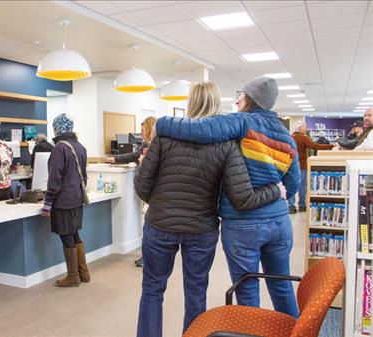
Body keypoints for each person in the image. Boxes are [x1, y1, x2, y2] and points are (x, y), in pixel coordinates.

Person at [134, 81, 282, 337]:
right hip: (200, 229)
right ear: (216, 104)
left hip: (159, 224)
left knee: (152, 289)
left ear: (190, 103)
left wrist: (160, 201)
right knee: (196, 292)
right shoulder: (226, 143)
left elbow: (142, 185)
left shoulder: (164, 136)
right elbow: (242, 197)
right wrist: (276, 190)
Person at [41, 114, 89, 287]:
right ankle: (83, 273)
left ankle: (73, 276)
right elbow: (84, 175)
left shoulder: (59, 148)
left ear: (56, 129)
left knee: (66, 236)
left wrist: (47, 202)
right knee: (75, 234)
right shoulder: (80, 146)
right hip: (76, 198)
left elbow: (54, 179)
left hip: (63, 201)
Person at [106, 116, 157, 267]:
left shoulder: (150, 145)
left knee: (149, 224)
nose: (140, 132)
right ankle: (147, 256)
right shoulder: (151, 144)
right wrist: (116, 159)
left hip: (151, 190)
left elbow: (135, 157)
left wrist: (116, 159)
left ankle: (147, 257)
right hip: (153, 191)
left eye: (142, 129)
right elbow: (134, 156)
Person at [289, 121, 334, 213]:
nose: (306, 128)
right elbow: (315, 146)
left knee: (291, 185)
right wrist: (331, 146)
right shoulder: (303, 138)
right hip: (302, 166)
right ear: (300, 128)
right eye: (305, 127)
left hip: (290, 166)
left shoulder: (289, 137)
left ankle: (291, 206)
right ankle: (302, 205)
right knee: (302, 186)